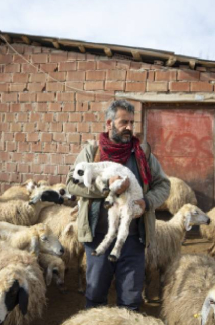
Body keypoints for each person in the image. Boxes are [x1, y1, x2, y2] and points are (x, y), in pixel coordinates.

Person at [66, 99, 171, 311]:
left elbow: (163, 185)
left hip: (133, 240)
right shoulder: (91, 152)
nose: (129, 128)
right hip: (98, 238)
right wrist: (106, 186)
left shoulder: (142, 154)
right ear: (109, 124)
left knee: (131, 302)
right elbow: (71, 184)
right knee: (95, 298)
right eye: (124, 122)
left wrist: (147, 202)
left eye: (132, 122)